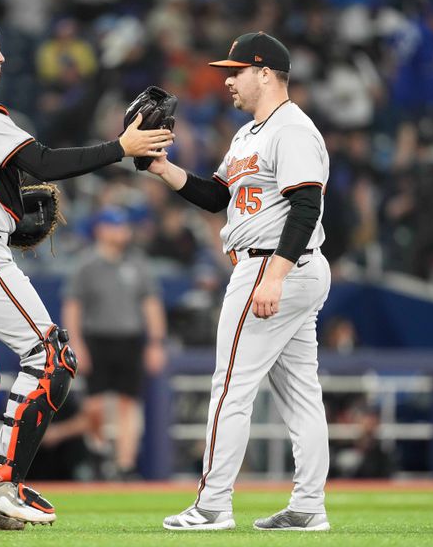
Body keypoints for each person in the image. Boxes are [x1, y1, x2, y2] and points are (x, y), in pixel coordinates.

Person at [0, 17, 173, 532]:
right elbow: (42, 163)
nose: (1, 57)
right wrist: (121, 148)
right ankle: (1, 481)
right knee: (52, 355)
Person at [147, 32, 332, 532]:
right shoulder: (250, 134)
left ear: (266, 73)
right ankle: (309, 506)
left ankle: (212, 505)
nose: (227, 80)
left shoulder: (291, 129)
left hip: (275, 264)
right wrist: (164, 169)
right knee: (300, 393)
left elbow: (305, 206)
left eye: (237, 71)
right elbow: (215, 197)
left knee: (230, 385)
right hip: (281, 265)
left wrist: (274, 276)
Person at [61, 207, 167, 480]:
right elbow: (73, 306)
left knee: (128, 404)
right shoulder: (86, 264)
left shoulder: (137, 263)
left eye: (124, 227)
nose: (122, 232)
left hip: (129, 339)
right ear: (101, 230)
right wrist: (77, 345)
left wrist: (156, 342)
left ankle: (125, 465)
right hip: (97, 338)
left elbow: (151, 303)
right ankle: (98, 453)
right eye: (115, 226)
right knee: (94, 406)